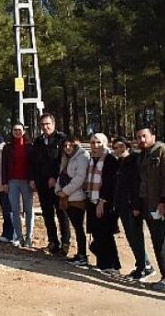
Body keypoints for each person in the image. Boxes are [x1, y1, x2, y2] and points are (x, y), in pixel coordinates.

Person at [134, 125, 165, 291]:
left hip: (160, 205)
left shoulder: (163, 152)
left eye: (144, 136)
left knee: (161, 241)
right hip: (148, 205)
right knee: (156, 240)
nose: (141, 140)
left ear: (153, 136)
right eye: (138, 137)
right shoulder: (144, 155)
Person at [111, 136, 155, 281]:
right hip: (123, 205)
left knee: (137, 237)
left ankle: (144, 267)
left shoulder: (134, 160)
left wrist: (136, 205)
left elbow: (136, 184)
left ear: (128, 146)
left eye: (121, 146)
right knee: (131, 237)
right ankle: (143, 264)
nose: (118, 150)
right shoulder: (120, 163)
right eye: (115, 148)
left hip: (133, 206)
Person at [32, 113, 70, 255]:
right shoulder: (38, 141)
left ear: (53, 124)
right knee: (47, 214)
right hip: (42, 184)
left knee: (62, 213)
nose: (45, 127)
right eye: (42, 125)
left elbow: (63, 161)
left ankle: (65, 243)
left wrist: (55, 177)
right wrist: (33, 179)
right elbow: (34, 162)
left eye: (48, 124)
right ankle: (53, 242)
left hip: (58, 183)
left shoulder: (62, 139)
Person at [86, 133, 121, 275]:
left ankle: (113, 266)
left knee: (106, 234)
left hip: (104, 202)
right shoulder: (91, 159)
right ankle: (103, 264)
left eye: (98, 142)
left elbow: (110, 183)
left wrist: (102, 201)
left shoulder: (110, 159)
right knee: (97, 234)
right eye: (93, 142)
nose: (95, 145)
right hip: (91, 200)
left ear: (104, 144)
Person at [56, 136, 89, 264]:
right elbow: (61, 175)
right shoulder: (66, 158)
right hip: (66, 197)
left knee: (79, 227)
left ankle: (83, 255)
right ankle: (80, 254)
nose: (67, 148)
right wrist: (58, 190)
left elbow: (79, 178)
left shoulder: (82, 157)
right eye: (65, 146)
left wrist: (65, 191)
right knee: (75, 226)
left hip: (76, 198)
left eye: (70, 145)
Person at [2, 122, 36, 248]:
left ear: (24, 131)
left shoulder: (29, 146)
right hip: (12, 181)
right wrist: (4, 182)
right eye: (15, 130)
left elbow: (33, 165)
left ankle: (29, 237)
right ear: (12, 131)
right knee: (15, 210)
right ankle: (19, 236)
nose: (17, 132)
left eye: (19, 130)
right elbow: (4, 166)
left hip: (27, 181)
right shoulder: (7, 147)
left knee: (28, 210)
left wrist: (33, 180)